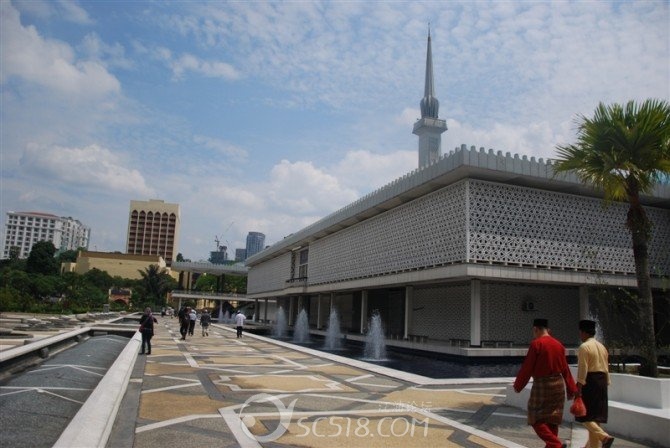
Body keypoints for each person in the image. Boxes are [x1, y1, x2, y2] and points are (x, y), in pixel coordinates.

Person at [514, 318, 577, 448]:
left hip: (542, 385)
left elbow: (527, 368)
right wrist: (571, 388)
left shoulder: (536, 344)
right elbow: (565, 369)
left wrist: (518, 386)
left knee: (535, 417)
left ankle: (556, 444)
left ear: (535, 329)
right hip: (558, 385)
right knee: (552, 419)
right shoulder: (559, 345)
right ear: (548, 330)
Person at [576, 319, 614, 448]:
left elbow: (583, 368)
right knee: (596, 417)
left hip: (590, 382)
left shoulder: (584, 347)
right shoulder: (602, 347)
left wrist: (579, 386)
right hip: (602, 382)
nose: (580, 335)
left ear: (584, 333)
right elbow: (606, 367)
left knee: (584, 415)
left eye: (580, 332)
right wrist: (607, 382)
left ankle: (604, 437)